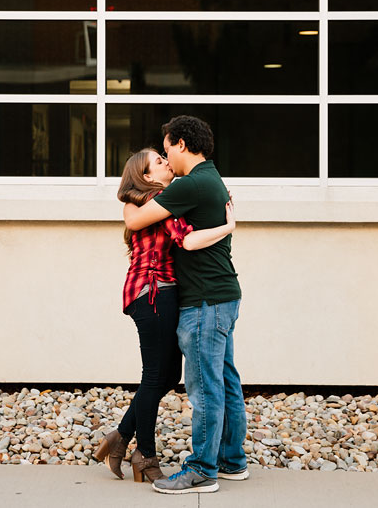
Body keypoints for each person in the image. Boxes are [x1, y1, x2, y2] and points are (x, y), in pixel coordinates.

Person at [94, 148, 235, 484]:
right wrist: (228, 225)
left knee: (167, 376)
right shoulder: (160, 201)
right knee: (156, 374)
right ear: (146, 176)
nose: (165, 162)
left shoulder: (147, 201)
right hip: (153, 292)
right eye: (158, 162)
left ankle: (120, 436)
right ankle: (145, 454)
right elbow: (186, 239)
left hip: (157, 293)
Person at [123, 116, 248, 495]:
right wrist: (229, 227)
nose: (165, 157)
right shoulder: (213, 178)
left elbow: (134, 215)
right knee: (225, 381)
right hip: (224, 294)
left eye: (166, 150)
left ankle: (202, 471)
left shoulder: (190, 185)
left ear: (180, 144)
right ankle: (232, 461)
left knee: (205, 387)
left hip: (204, 300)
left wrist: (228, 228)